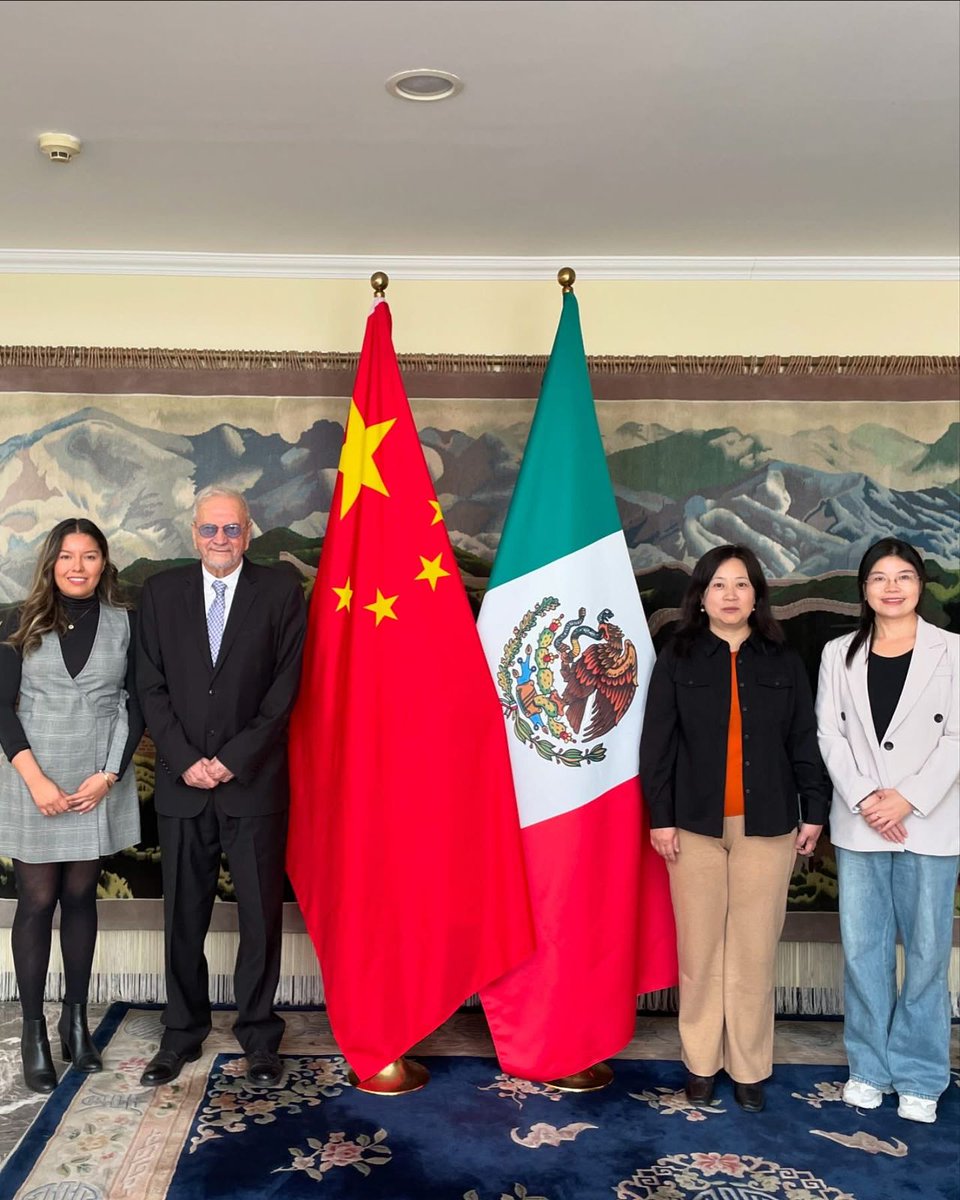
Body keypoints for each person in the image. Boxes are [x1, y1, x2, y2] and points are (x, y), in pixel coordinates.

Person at [639, 544, 827, 1113]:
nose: (730, 595)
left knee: (752, 953)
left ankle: (748, 1067)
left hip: (767, 827)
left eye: (741, 584)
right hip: (692, 828)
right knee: (699, 952)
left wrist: (814, 809)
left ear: (756, 595)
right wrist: (661, 818)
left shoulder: (781, 659)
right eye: (718, 584)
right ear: (701, 595)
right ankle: (700, 1063)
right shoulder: (677, 656)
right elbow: (658, 745)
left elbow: (803, 740)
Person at [136, 486, 306, 1088]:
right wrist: (184, 760)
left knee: (260, 917)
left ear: (249, 532)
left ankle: (259, 1034)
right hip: (184, 787)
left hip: (252, 784)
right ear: (193, 534)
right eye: (209, 530)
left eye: (231, 530)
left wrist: (230, 760)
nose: (220, 541)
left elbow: (285, 690)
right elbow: (150, 686)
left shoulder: (282, 592)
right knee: (184, 914)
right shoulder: (159, 595)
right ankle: (181, 1033)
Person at [816, 537, 958, 1125]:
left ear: (920, 585)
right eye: (880, 577)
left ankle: (922, 1073)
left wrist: (907, 799)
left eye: (904, 576)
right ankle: (869, 1067)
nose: (892, 587)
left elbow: (957, 739)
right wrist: (869, 799)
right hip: (861, 823)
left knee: (927, 955)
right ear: (865, 588)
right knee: (865, 952)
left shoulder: (952, 651)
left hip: (929, 822)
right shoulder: (836, 653)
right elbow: (830, 734)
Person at [0, 518, 142, 1093]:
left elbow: (136, 703)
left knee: (82, 895)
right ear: (50, 563)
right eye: (66, 556)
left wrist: (108, 775)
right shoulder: (20, 622)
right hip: (33, 776)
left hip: (95, 780)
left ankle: (74, 1018)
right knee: (37, 900)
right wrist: (35, 779)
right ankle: (33, 1028)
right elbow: (1, 708)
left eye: (89, 556)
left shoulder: (127, 624)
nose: (77, 567)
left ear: (104, 563)